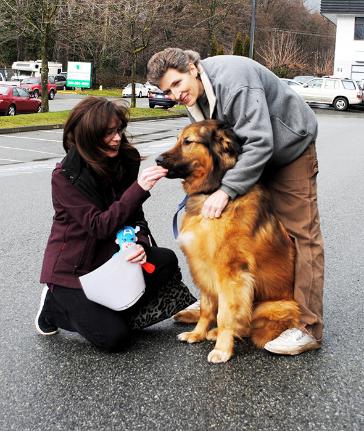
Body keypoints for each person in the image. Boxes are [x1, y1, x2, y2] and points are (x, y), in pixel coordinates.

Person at [147, 48, 324, 355]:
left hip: (289, 147)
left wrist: (226, 190)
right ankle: (223, 305)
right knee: (243, 242)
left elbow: (260, 141)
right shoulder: (196, 93)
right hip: (251, 158)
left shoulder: (235, 80)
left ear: (192, 67)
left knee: (300, 232)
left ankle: (306, 327)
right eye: (166, 91)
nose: (175, 94)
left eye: (176, 84)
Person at [36, 97, 195, 352]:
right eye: (108, 133)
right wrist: (139, 188)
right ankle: (54, 306)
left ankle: (106, 311)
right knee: (114, 338)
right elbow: (98, 226)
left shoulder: (126, 159)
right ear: (88, 136)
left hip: (111, 259)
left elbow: (134, 216)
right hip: (74, 272)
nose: (117, 138)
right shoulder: (65, 176)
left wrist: (140, 243)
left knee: (164, 261)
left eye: (118, 130)